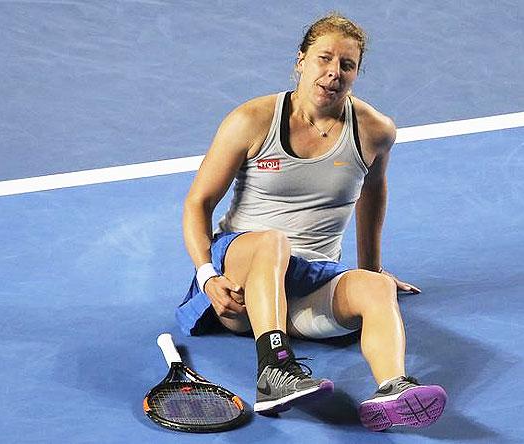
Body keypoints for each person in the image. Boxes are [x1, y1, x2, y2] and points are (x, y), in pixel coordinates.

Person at [176, 13, 447, 431]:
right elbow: (198, 202)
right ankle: (274, 369)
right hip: (240, 278)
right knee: (273, 242)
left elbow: (371, 193)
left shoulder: (374, 131)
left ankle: (393, 387)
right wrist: (207, 274)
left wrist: (370, 269)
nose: (333, 73)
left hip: (310, 283)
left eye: (347, 64)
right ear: (300, 60)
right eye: (324, 58)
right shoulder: (252, 120)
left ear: (357, 72)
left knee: (377, 288)